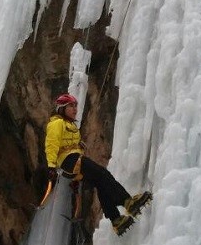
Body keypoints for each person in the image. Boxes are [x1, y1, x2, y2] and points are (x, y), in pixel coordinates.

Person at [44, 93, 151, 236]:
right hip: (69, 160)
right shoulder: (56, 123)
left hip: (71, 162)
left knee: (100, 182)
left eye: (75, 106)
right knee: (103, 174)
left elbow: (66, 142)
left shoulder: (69, 125)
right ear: (62, 108)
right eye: (71, 106)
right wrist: (51, 166)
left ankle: (116, 220)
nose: (75, 109)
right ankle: (128, 202)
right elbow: (51, 145)